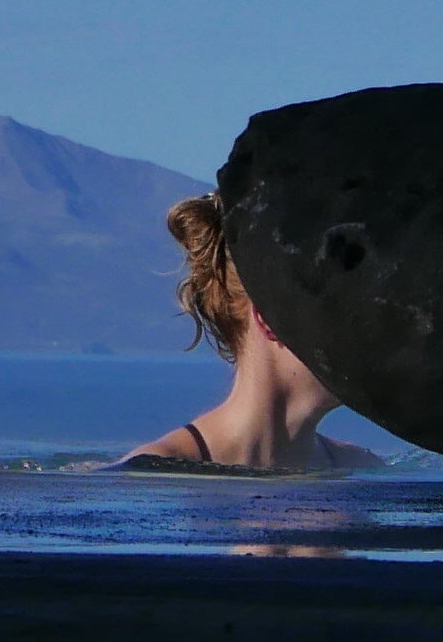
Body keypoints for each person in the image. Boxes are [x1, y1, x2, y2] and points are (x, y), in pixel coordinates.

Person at [115, 193, 381, 472]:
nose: (365, 333)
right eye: (340, 311)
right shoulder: (151, 476)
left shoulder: (364, 468)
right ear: (270, 320)